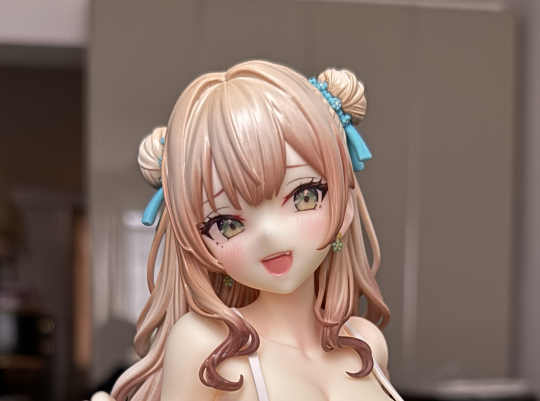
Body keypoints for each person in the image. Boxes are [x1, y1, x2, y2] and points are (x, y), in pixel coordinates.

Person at [91, 60, 402, 401]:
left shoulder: (368, 341)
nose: (269, 234)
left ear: (345, 207)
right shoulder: (206, 347)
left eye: (305, 196)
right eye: (227, 224)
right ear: (202, 244)